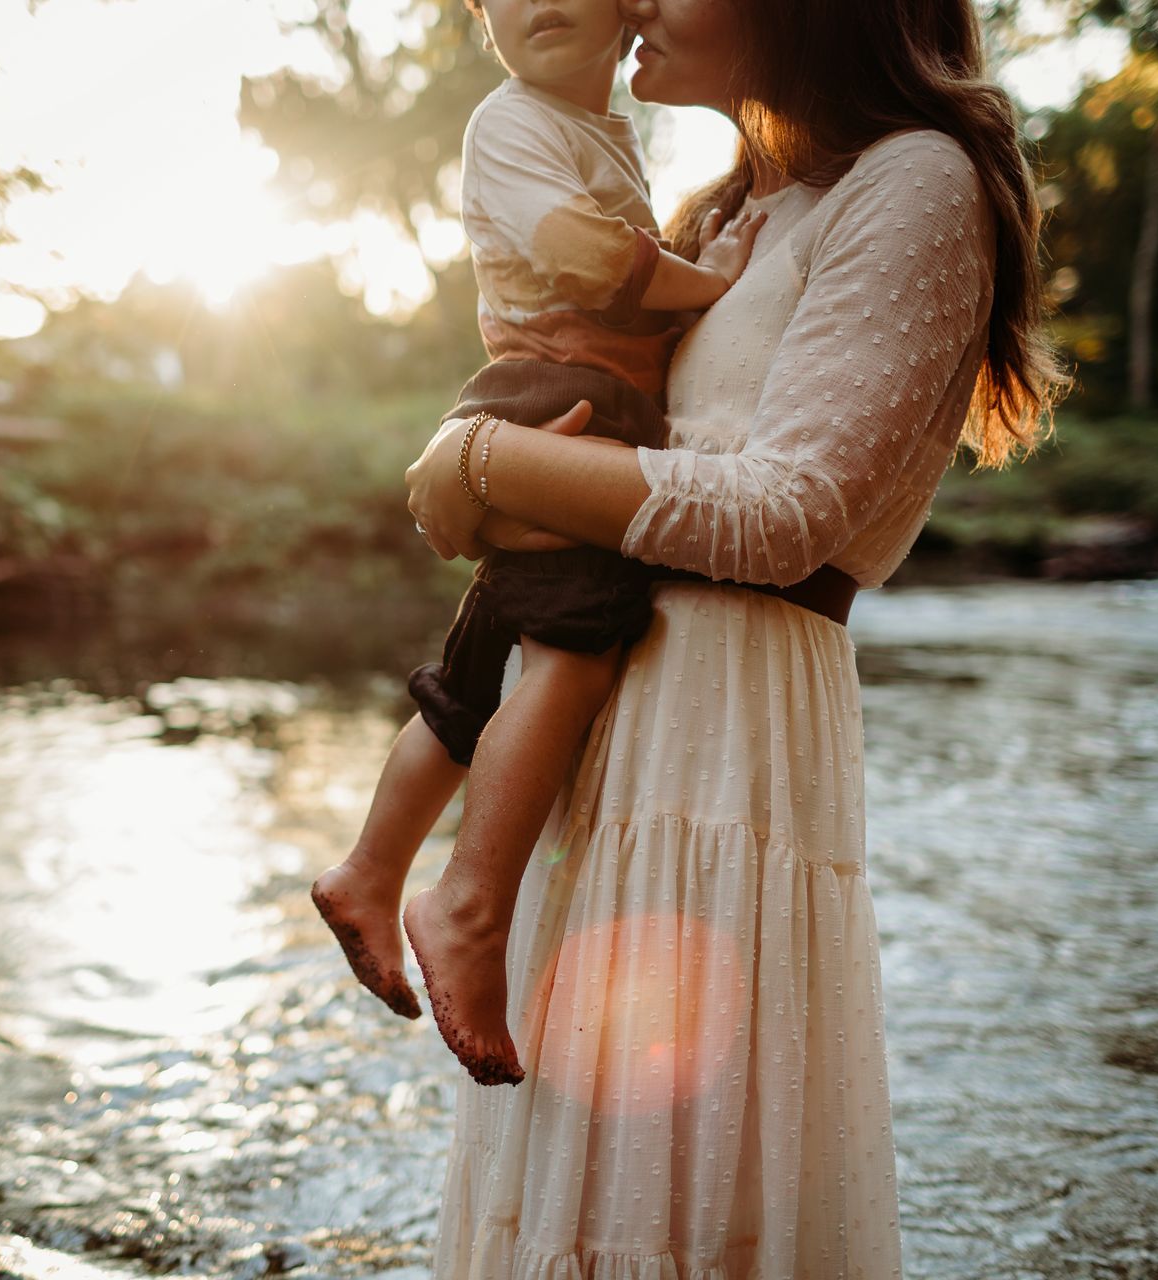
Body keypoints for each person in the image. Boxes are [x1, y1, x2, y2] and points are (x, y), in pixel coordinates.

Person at [403, 0, 1063, 1273]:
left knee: (687, 1199)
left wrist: (485, 456)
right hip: (615, 735)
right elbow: (605, 418)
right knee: (573, 1188)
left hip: (733, 733)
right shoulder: (714, 215)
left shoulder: (917, 180)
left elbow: (787, 516)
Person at [310, 0, 766, 1087]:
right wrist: (713, 283)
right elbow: (585, 255)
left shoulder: (594, 126)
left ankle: (369, 870)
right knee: (574, 651)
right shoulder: (512, 125)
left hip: (554, 394)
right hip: (568, 391)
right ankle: (467, 902)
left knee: (475, 673)